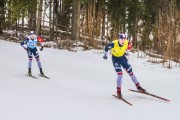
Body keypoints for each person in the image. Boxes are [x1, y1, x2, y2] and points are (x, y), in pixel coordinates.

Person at [103, 32, 146, 98]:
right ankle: (118, 92)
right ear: (119, 39)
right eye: (121, 39)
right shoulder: (114, 44)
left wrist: (127, 52)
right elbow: (106, 47)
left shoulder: (127, 42)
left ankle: (139, 87)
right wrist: (105, 55)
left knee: (131, 72)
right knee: (120, 74)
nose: (123, 40)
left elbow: (129, 46)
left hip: (122, 58)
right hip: (115, 59)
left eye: (124, 39)